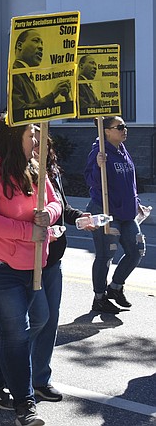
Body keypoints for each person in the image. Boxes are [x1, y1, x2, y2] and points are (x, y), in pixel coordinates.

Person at [0, 116, 60, 426]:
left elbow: (55, 201)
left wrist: (49, 213)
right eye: (31, 133)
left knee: (25, 323)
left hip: (29, 265)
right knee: (16, 333)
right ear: (13, 136)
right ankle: (25, 403)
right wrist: (26, 231)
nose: (36, 139)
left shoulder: (34, 167)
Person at [28, 133, 88, 403]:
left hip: (54, 259)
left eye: (42, 140)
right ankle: (15, 378)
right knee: (34, 321)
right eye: (32, 138)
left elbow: (62, 207)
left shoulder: (51, 171)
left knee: (50, 320)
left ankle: (40, 378)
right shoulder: (22, 171)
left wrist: (80, 217)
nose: (38, 144)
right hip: (29, 259)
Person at [85, 116, 145, 314]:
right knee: (105, 255)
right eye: (119, 127)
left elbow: (128, 181)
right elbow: (91, 180)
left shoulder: (121, 149)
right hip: (106, 211)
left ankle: (115, 288)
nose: (124, 129)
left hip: (127, 213)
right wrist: (98, 165)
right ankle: (99, 298)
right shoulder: (100, 151)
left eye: (124, 126)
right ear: (106, 131)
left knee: (137, 250)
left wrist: (136, 203)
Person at [10, 29, 71, 119]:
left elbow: (36, 106)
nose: (41, 47)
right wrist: (53, 95)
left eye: (42, 44)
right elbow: (21, 113)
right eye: (35, 41)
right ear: (19, 45)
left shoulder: (28, 77)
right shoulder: (15, 74)